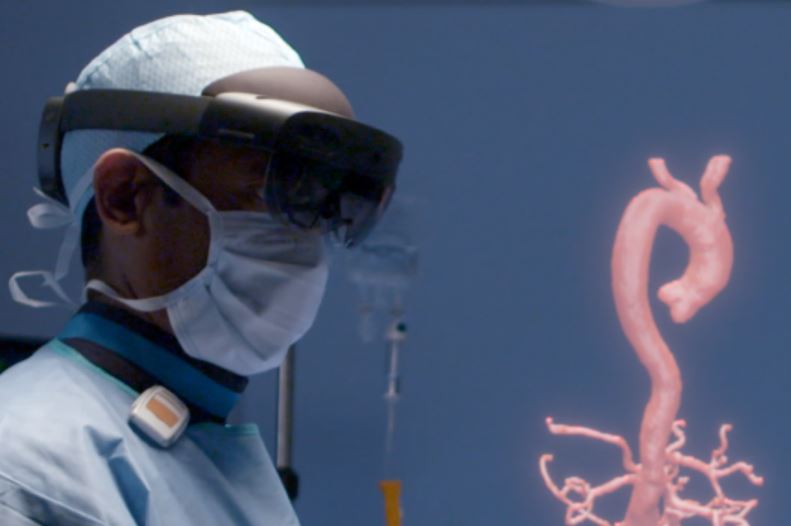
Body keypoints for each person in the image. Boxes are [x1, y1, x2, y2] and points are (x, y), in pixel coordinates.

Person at [0, 11, 402, 525]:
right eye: (266, 194)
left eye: (317, 210)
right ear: (124, 197)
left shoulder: (206, 455)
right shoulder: (31, 473)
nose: (306, 244)